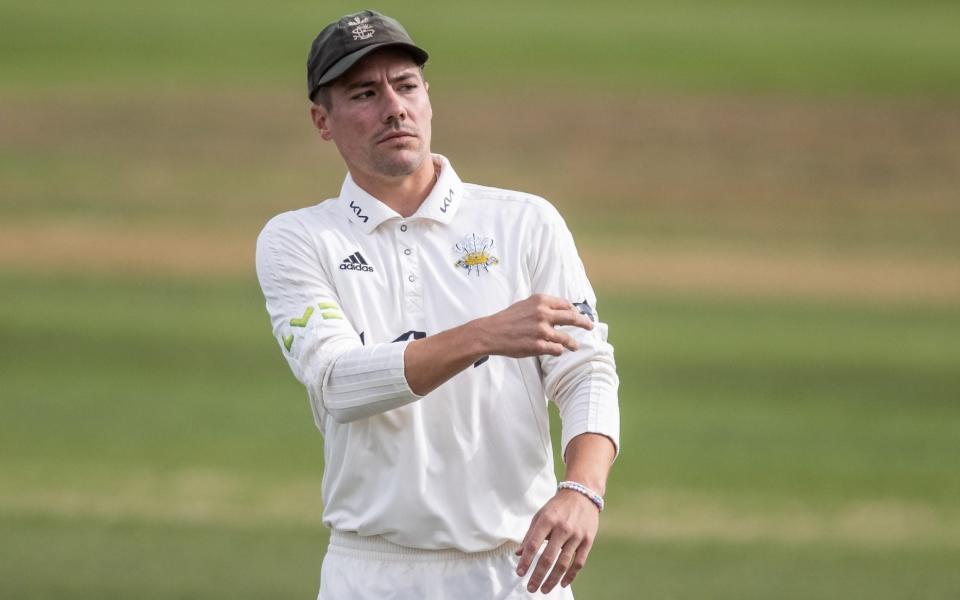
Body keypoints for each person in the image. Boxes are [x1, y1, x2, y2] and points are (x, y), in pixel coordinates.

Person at [255, 10, 620, 599]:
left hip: (518, 570)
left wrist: (583, 490)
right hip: (372, 572)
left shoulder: (523, 221)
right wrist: (481, 336)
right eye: (365, 93)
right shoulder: (299, 239)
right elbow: (336, 384)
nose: (393, 107)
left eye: (406, 86)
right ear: (322, 121)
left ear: (428, 98)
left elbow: (586, 370)